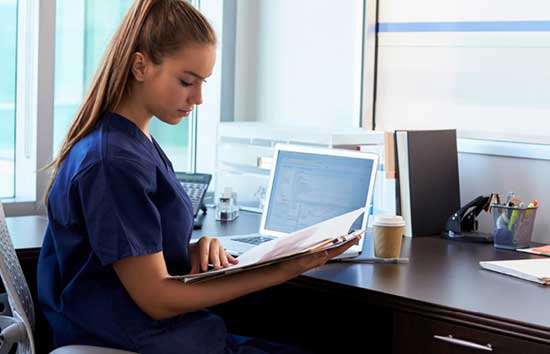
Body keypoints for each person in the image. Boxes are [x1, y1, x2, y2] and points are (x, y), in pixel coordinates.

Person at [37, 1, 358, 353]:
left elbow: (127, 256)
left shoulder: (131, 143)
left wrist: (190, 251)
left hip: (162, 335)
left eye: (202, 82)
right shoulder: (113, 162)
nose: (199, 97)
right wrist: (287, 267)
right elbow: (156, 298)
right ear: (141, 66)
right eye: (187, 81)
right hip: (139, 339)